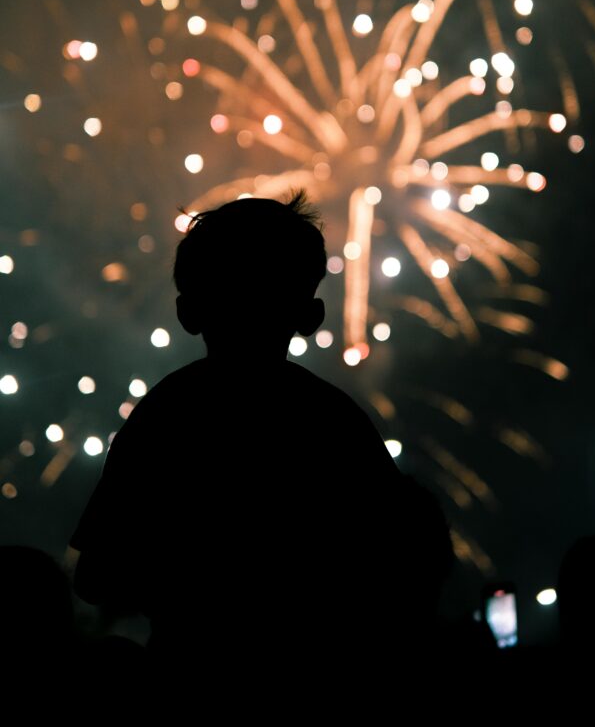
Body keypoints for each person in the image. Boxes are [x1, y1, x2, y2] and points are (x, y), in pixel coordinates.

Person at [71, 190, 452, 686]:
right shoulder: (336, 424)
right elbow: (405, 568)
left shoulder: (161, 418)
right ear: (310, 317)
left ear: (188, 313)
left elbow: (96, 579)